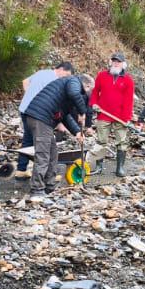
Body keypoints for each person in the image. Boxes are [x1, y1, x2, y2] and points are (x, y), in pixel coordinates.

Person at [23, 69, 94, 198]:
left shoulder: (67, 95)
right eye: (90, 90)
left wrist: (77, 132)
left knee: (53, 153)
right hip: (39, 117)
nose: (89, 94)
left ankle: (49, 186)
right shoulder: (74, 81)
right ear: (87, 85)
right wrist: (82, 111)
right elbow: (74, 93)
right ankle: (37, 190)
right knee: (43, 155)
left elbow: (65, 116)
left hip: (43, 120)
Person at [15, 62, 71, 178]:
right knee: (42, 141)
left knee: (28, 138)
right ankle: (44, 173)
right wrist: (61, 123)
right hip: (37, 113)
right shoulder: (55, 81)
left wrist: (29, 96)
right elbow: (54, 103)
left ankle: (21, 169)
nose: (66, 78)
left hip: (25, 109)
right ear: (61, 69)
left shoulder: (42, 72)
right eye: (66, 75)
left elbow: (25, 82)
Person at [89, 54, 136, 177]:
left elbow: (128, 101)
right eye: (114, 61)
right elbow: (95, 92)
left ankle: (119, 167)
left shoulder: (128, 80)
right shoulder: (102, 76)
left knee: (121, 142)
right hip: (103, 114)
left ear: (123, 64)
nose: (115, 64)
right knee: (101, 141)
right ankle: (99, 167)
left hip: (120, 117)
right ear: (110, 62)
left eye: (118, 62)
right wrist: (94, 103)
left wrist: (126, 118)